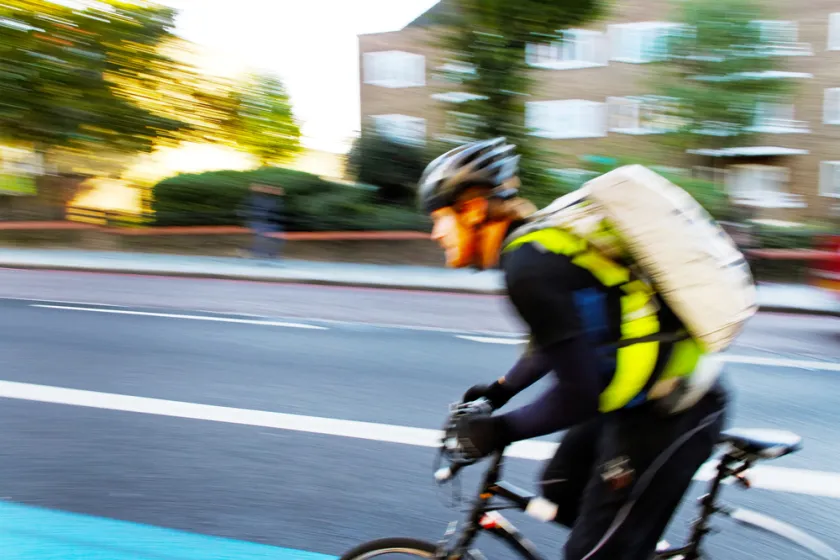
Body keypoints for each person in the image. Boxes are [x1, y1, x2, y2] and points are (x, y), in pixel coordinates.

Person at [415, 137, 729, 560]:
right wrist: (499, 392)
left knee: (587, 553)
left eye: (439, 218)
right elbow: (560, 341)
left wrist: (500, 430)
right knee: (560, 485)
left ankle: (621, 540)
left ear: (472, 209)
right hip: (636, 394)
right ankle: (630, 539)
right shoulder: (536, 247)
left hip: (674, 407)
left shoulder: (528, 266)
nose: (435, 233)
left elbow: (581, 394)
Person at [237, 182, 285, 260]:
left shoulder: (273, 200)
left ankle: (271, 253)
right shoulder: (254, 198)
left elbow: (274, 211)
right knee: (261, 236)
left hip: (268, 223)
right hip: (257, 221)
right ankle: (250, 252)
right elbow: (244, 210)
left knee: (279, 238)